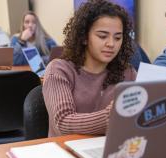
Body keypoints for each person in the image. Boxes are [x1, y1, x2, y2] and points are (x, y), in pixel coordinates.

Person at [43, 0, 136, 137]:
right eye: (102, 36)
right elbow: (63, 123)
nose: (111, 44)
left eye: (117, 38)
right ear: (84, 37)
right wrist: (112, 116)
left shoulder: (128, 73)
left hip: (111, 150)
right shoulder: (59, 70)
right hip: (66, 151)